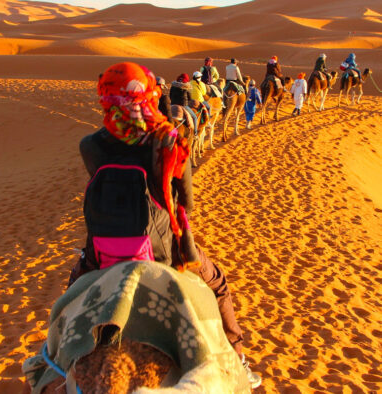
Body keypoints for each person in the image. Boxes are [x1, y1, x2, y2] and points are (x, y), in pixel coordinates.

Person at [68, 61, 261, 388]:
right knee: (218, 285)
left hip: (102, 254)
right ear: (149, 93)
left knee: (71, 296)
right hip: (166, 252)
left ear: (106, 95)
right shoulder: (168, 139)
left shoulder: (90, 145)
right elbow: (187, 203)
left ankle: (56, 357)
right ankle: (238, 359)